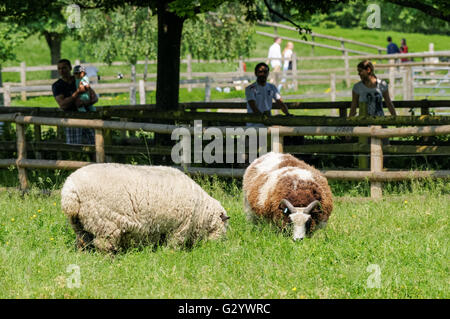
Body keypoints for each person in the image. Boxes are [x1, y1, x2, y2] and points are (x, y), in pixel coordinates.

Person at [52, 59, 95, 145]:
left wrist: (84, 103)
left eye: (64, 68)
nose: (61, 71)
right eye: (59, 68)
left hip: (87, 116)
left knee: (96, 145)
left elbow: (94, 98)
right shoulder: (57, 85)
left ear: (70, 68)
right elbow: (63, 105)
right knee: (74, 147)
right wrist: (77, 93)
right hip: (72, 119)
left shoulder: (79, 80)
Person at [245, 62, 291, 127]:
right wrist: (264, 119)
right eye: (260, 72)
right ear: (256, 73)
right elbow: (253, 107)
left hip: (267, 122)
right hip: (254, 123)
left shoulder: (272, 87)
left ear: (268, 74)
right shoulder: (250, 89)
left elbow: (280, 103)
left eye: (265, 72)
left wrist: (288, 114)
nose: (263, 74)